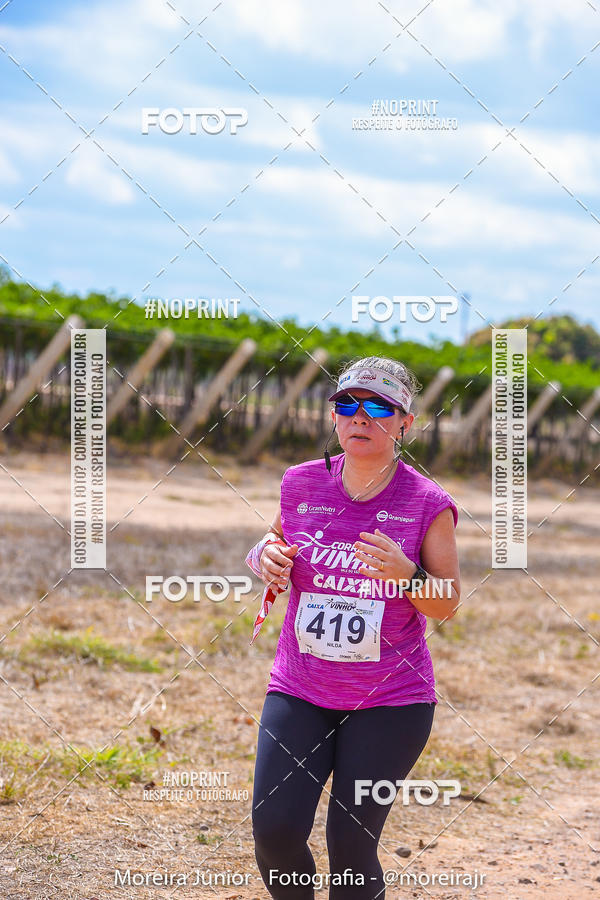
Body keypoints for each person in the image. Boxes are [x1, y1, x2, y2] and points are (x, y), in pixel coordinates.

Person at [245, 356, 460, 899]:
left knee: (351, 847)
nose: (360, 417)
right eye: (347, 404)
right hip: (301, 688)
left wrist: (409, 577)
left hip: (391, 701)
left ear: (405, 422)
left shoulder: (427, 502)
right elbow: (274, 544)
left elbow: (447, 603)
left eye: (378, 407)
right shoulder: (300, 483)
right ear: (334, 415)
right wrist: (263, 556)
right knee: (274, 832)